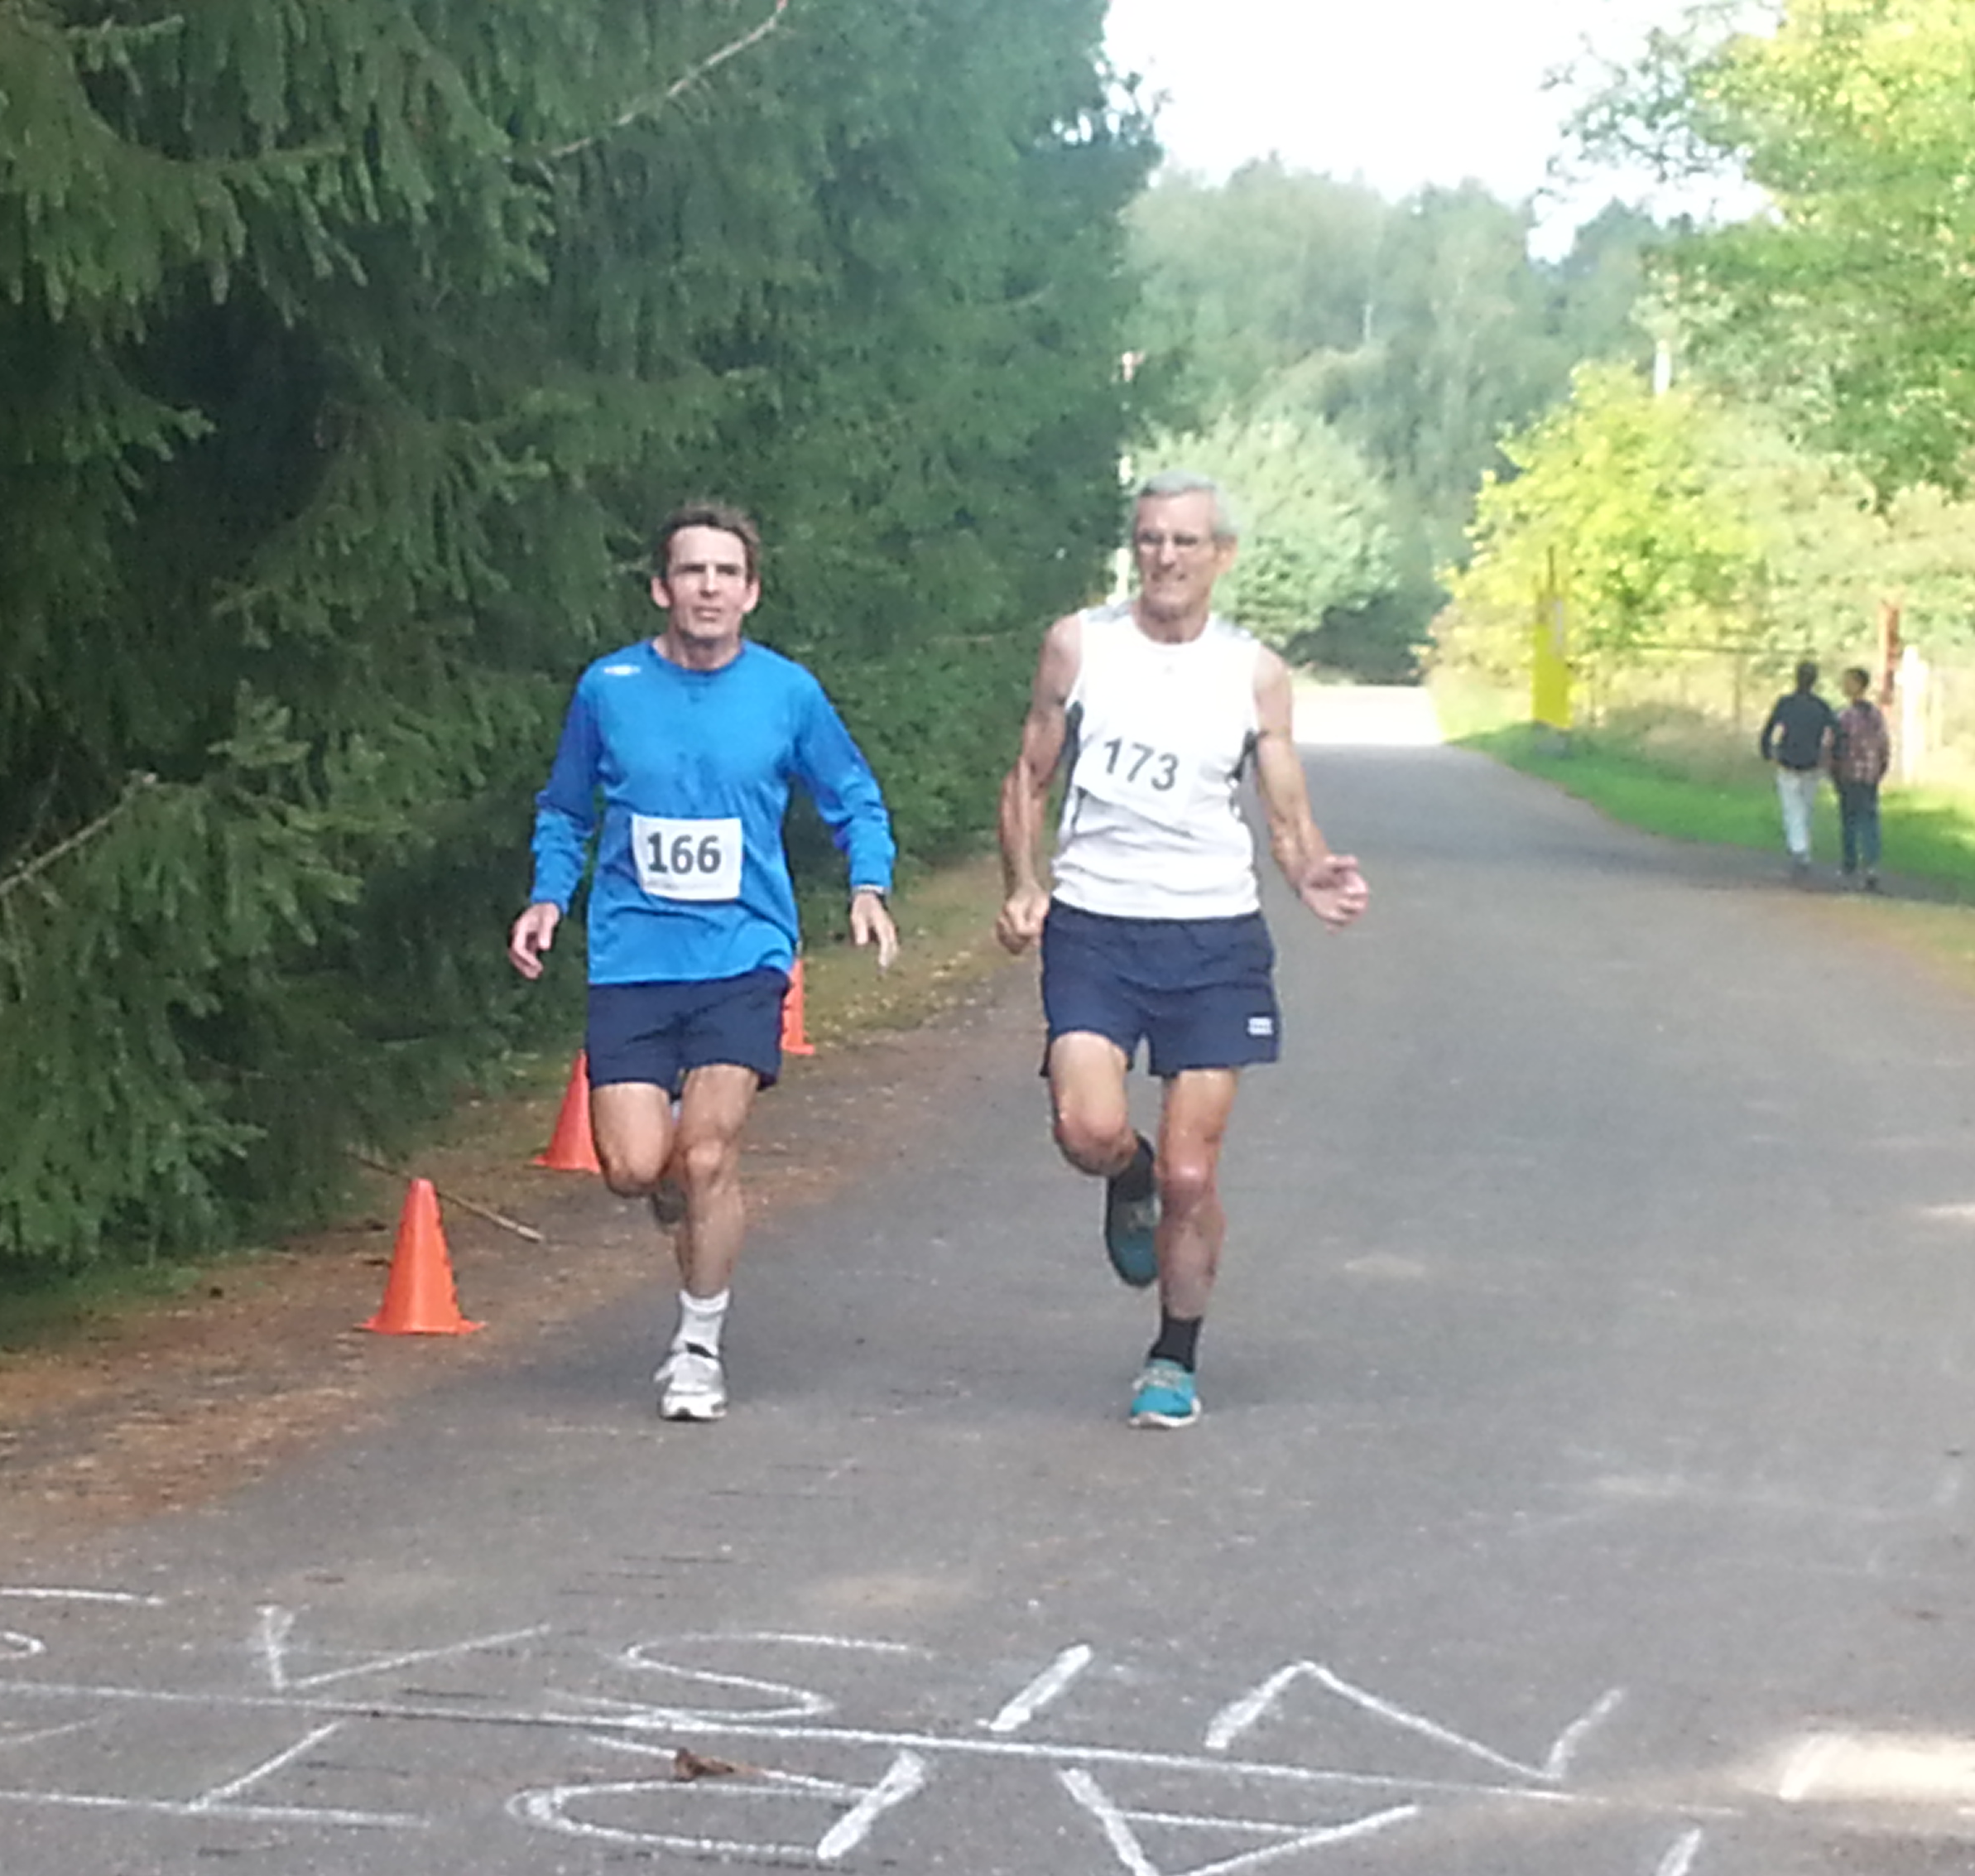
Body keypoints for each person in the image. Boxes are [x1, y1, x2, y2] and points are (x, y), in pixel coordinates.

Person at [508, 502, 899, 1422]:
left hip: (743, 954)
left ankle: (697, 1348)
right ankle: (672, 1178)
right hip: (633, 958)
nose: (710, 588)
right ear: (662, 588)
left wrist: (868, 885)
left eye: (728, 573)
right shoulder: (609, 688)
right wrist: (547, 896)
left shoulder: (787, 693)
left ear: (751, 593)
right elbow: (565, 808)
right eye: (693, 571)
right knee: (632, 1167)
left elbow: (852, 794)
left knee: (711, 1152)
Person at [994, 471, 1368, 1430]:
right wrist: (1024, 884)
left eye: (1186, 542)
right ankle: (1127, 1174)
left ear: (1221, 556)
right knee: (1086, 1129)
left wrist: (1312, 871)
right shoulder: (1080, 645)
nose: (1165, 557)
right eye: (1151, 539)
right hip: (1096, 927)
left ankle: (1173, 1355)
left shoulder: (1253, 673)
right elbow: (1030, 774)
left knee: (1192, 1177)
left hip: (1212, 938)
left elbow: (1285, 810)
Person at [1759, 660, 1838, 878]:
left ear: (1796, 678)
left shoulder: (1786, 703)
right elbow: (1837, 731)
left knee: (1791, 807)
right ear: (1815, 680)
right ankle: (1803, 847)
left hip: (1787, 760)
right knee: (1806, 806)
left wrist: (1767, 752)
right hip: (1812, 763)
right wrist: (1831, 755)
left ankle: (1799, 849)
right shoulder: (1821, 706)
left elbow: (1769, 729)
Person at [1828, 664, 1891, 891]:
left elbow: (1833, 745)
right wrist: (1879, 769)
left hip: (1849, 774)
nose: (1845, 686)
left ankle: (1851, 864)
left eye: (1849, 682)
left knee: (1850, 820)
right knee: (1868, 820)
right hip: (1870, 775)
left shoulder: (1844, 716)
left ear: (1858, 685)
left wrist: (1833, 769)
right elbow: (1884, 745)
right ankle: (1870, 864)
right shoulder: (1875, 715)